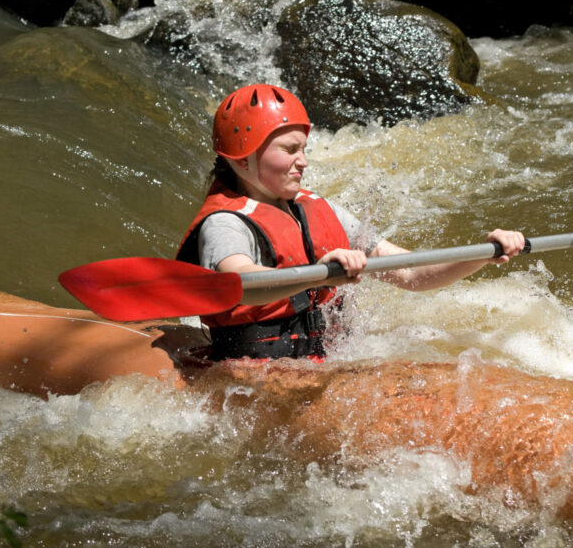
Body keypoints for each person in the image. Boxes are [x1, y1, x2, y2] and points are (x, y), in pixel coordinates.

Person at [176, 84, 525, 361]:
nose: (304, 162)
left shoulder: (322, 209)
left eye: (304, 149)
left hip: (325, 363)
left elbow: (412, 275)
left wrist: (483, 253)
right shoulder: (225, 224)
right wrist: (319, 272)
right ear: (242, 159)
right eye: (290, 149)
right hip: (255, 375)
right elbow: (240, 281)